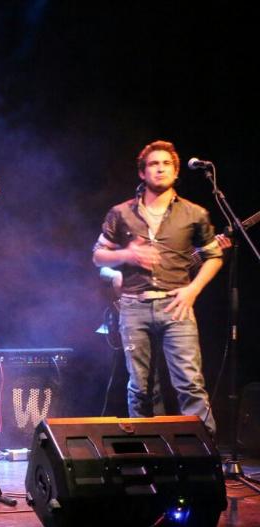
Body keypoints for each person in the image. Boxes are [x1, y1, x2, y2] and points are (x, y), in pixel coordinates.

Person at [92, 140, 223, 434]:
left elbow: (214, 256)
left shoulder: (194, 213)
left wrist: (193, 290)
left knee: (190, 383)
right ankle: (148, 450)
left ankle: (204, 453)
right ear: (142, 172)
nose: (160, 168)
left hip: (176, 306)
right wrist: (127, 254)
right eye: (153, 164)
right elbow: (98, 256)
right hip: (134, 305)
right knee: (140, 387)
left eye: (166, 164)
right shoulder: (121, 213)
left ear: (176, 172)